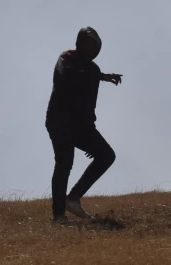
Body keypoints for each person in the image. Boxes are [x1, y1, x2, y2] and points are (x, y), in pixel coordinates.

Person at [46, 26, 122, 225]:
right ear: (79, 43)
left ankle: (73, 198)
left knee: (106, 155)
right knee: (64, 162)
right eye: (87, 44)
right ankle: (58, 215)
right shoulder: (66, 58)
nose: (91, 48)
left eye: (94, 45)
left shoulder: (93, 69)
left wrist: (89, 134)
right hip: (59, 121)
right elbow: (69, 77)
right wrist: (101, 76)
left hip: (81, 125)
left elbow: (89, 103)